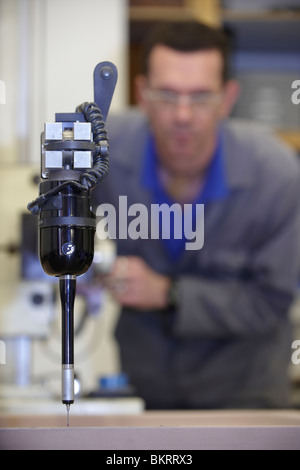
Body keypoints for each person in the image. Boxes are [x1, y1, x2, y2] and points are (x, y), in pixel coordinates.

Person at [92, 21, 300, 409]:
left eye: (201, 97)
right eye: (167, 95)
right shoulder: (105, 152)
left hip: (245, 394)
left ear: (228, 98)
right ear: (142, 94)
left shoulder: (275, 174)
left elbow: (270, 301)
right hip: (143, 390)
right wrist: (83, 269)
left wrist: (167, 293)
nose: (183, 115)